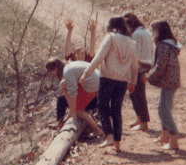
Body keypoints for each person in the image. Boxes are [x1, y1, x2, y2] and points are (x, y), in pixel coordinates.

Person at [80, 16, 138, 152]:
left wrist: (85, 74)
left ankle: (109, 136)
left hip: (107, 79)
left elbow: (98, 57)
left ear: (111, 26)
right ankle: (117, 144)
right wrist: (133, 82)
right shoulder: (131, 42)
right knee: (116, 110)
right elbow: (134, 67)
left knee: (102, 107)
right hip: (123, 81)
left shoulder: (110, 37)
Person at [46, 58, 103, 136]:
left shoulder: (67, 71)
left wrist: (73, 112)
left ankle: (98, 130)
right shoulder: (68, 65)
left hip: (96, 88)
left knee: (78, 110)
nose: (52, 75)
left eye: (51, 72)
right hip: (96, 85)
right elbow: (70, 89)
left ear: (55, 69)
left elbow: (73, 93)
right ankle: (61, 122)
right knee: (63, 87)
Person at [147, 21, 182, 151]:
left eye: (153, 31)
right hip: (172, 80)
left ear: (159, 32)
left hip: (169, 81)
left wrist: (148, 77)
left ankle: (174, 141)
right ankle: (164, 136)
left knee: (163, 110)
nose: (152, 34)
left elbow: (160, 67)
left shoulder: (162, 46)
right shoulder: (170, 44)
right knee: (163, 107)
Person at [123, 12, 154, 131]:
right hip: (145, 67)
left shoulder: (136, 34)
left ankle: (144, 123)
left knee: (138, 96)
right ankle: (139, 119)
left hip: (137, 68)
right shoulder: (147, 32)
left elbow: (134, 54)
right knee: (134, 95)